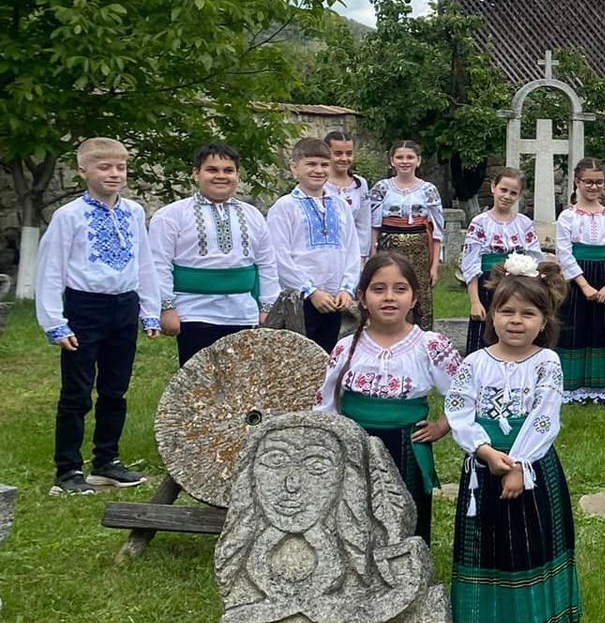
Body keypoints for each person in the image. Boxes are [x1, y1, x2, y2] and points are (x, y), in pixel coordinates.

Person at [445, 259, 580, 623]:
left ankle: (535, 621)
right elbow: (458, 409)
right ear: (491, 315)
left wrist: (519, 464)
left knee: (529, 539)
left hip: (531, 466)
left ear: (544, 320)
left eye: (528, 313)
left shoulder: (546, 363)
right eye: (506, 312)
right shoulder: (475, 362)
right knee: (487, 542)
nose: (516, 321)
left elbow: (544, 416)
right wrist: (485, 452)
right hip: (485, 466)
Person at [36, 137, 160, 495]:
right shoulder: (69, 216)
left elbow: (144, 262)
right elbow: (51, 269)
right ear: (83, 170)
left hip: (124, 306)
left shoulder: (134, 212)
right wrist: (55, 321)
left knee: (115, 390)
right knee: (76, 392)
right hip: (85, 308)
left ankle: (106, 461)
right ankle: (68, 469)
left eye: (120, 167)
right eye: (104, 167)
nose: (114, 174)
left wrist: (149, 310)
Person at [315, 252, 459, 542]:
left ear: (415, 298)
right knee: (356, 517)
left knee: (406, 518)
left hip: (407, 445)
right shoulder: (346, 348)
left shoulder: (430, 346)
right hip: (356, 446)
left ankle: (409, 577)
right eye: (378, 289)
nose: (389, 297)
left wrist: (443, 425)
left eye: (400, 289)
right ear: (362, 297)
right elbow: (326, 403)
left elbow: (464, 393)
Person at [150, 141, 279, 366]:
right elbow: (159, 264)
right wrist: (167, 308)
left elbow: (267, 264)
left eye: (228, 170)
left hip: (243, 313)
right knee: (199, 383)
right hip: (194, 312)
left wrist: (267, 308)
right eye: (212, 170)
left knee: (241, 383)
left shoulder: (253, 215)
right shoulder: (171, 215)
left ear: (238, 175)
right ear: (196, 174)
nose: (221, 176)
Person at [268, 136, 362, 352]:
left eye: (323, 165)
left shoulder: (340, 206)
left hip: (335, 298)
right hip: (301, 300)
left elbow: (351, 250)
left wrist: (346, 288)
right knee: (299, 357)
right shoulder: (285, 207)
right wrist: (310, 291)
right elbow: (280, 257)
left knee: (330, 356)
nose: (318, 170)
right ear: (294, 168)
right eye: (310, 164)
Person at [554, 156, 605, 405]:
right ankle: (573, 389)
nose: (594, 187)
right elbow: (564, 252)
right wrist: (583, 285)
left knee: (604, 330)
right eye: (588, 182)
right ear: (577, 182)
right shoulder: (567, 217)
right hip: (577, 279)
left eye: (599, 182)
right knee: (575, 329)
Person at [459, 167, 543, 355]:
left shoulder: (524, 223)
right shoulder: (480, 223)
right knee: (486, 333)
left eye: (513, 192)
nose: (507, 196)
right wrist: (475, 301)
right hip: (487, 285)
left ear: (519, 195)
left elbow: (535, 256)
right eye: (503, 190)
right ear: (493, 188)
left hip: (517, 284)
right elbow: (471, 263)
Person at [367, 140, 444, 326]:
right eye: (399, 157)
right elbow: (373, 226)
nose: (405, 161)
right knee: (389, 289)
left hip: (419, 250)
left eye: (410, 157)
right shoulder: (382, 188)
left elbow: (437, 230)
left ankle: (421, 336)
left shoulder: (428, 190)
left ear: (418, 161)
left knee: (418, 295)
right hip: (388, 246)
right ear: (392, 160)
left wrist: (434, 267)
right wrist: (372, 256)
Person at [324, 129, 373, 255]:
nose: (344, 158)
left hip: (353, 252)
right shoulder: (320, 184)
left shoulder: (360, 184)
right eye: (338, 153)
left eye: (349, 153)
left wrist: (362, 254)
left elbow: (364, 223)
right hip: (326, 252)